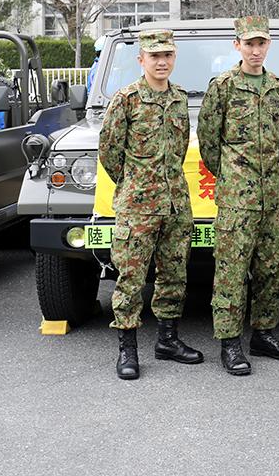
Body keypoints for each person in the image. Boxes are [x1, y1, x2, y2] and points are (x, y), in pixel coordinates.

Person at [99, 29, 204, 380]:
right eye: (155, 56)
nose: (161, 62)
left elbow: (177, 151)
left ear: (173, 59)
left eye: (167, 56)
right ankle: (128, 349)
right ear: (141, 59)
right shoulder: (126, 99)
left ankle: (168, 340)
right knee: (131, 278)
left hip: (176, 204)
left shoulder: (178, 97)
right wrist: (135, 185)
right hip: (138, 206)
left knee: (174, 274)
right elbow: (110, 153)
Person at [197, 15, 279, 376]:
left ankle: (263, 333)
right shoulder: (223, 85)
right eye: (249, 44)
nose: (256, 50)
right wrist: (232, 176)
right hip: (237, 198)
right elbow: (208, 141)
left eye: (261, 43)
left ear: (268, 45)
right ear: (237, 45)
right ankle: (230, 342)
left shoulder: (274, 85)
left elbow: (277, 133)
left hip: (270, 195)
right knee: (231, 271)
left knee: (271, 267)